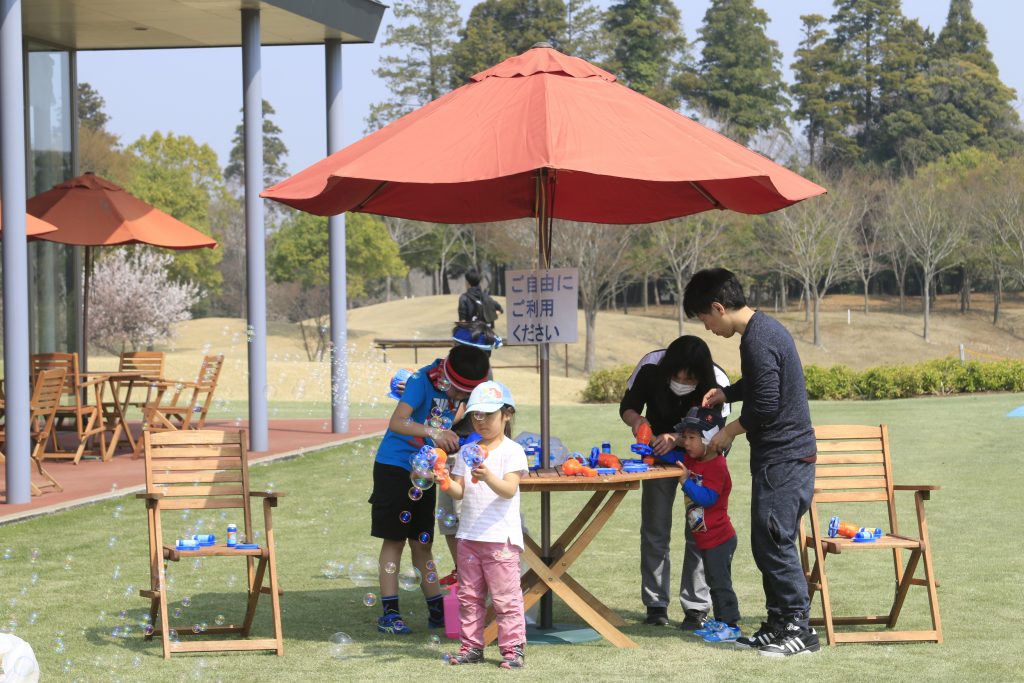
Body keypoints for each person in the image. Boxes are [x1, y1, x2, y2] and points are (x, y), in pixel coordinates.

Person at [683, 267, 819, 657]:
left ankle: (799, 628)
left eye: (705, 319)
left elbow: (767, 404)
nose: (707, 328)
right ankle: (778, 622)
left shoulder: (758, 339)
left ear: (718, 307)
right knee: (765, 541)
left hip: (785, 455)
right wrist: (727, 393)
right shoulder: (762, 332)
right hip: (780, 457)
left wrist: (729, 431)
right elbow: (761, 385)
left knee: (775, 539)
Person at [371, 344, 490, 635]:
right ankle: (390, 614)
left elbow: (451, 421)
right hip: (395, 466)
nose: (460, 398)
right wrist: (435, 432)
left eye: (466, 394)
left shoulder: (457, 393)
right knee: (395, 540)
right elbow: (397, 422)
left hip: (425, 469)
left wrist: (454, 440)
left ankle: (437, 612)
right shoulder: (420, 381)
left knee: (422, 543)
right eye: (459, 392)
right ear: (448, 377)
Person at [618, 335, 730, 629]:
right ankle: (655, 605)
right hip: (658, 458)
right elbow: (628, 407)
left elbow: (717, 434)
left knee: (699, 531)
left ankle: (696, 607)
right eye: (676, 376)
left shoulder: (717, 381)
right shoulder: (651, 367)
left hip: (704, 461)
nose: (681, 382)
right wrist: (639, 423)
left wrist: (678, 438)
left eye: (689, 378)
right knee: (655, 529)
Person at [443, 381, 528, 669]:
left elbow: (509, 489)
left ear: (507, 414)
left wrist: (488, 475)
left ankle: (513, 650)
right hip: (468, 536)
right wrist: (443, 480)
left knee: (505, 598)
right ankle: (471, 648)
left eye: (488, 415)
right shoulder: (467, 451)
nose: (481, 421)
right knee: (469, 597)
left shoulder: (512, 451)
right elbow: (459, 491)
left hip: (500, 539)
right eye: (476, 415)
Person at [673, 406, 741, 644]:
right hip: (707, 538)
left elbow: (708, 498)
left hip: (720, 539)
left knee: (721, 584)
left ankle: (730, 625)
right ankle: (721, 622)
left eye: (692, 437)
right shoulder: (693, 459)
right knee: (713, 582)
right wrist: (657, 446)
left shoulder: (717, 466)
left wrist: (685, 482)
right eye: (685, 437)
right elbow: (672, 458)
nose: (686, 442)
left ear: (710, 441)